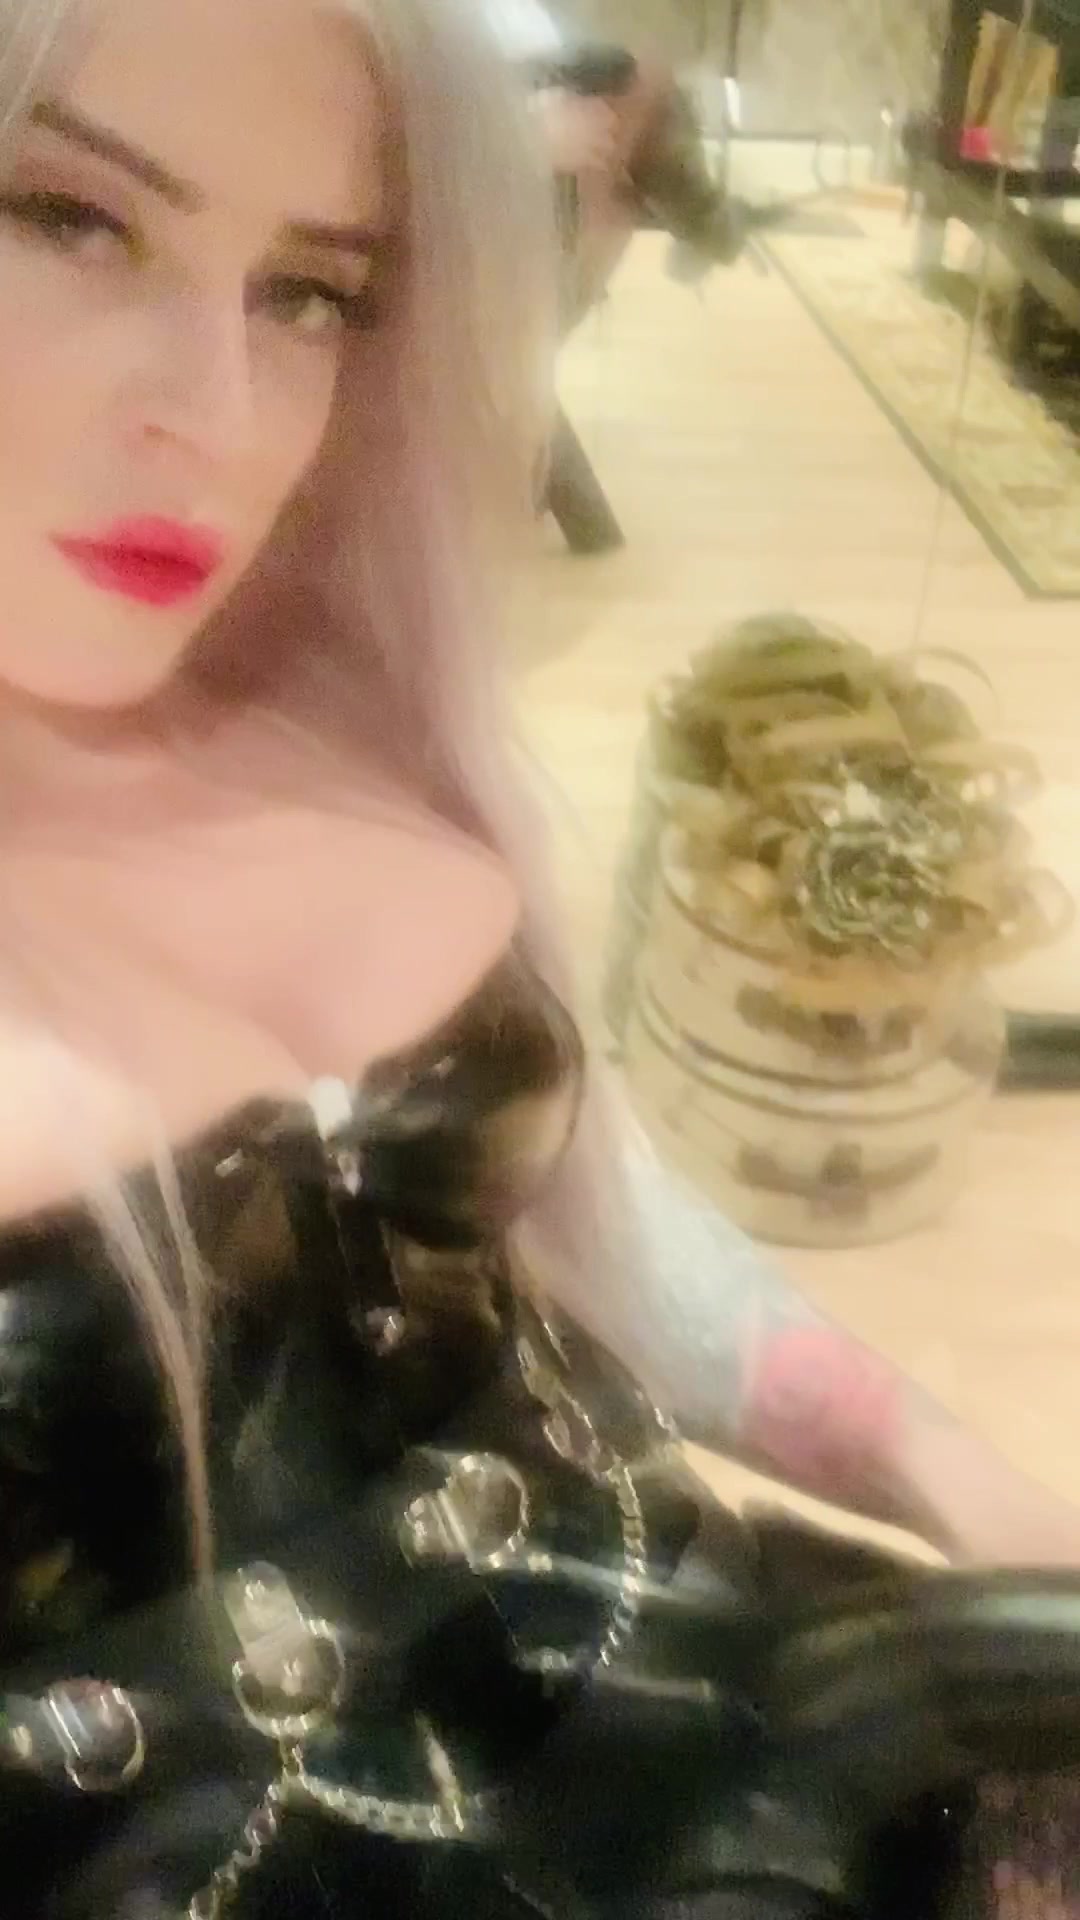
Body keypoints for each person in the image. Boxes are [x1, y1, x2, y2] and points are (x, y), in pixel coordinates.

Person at [0, 0, 1078, 1913]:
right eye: (68, 216)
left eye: (310, 292)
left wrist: (927, 1452)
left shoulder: (308, 689)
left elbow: (581, 1221)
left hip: (708, 1660)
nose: (221, 415)